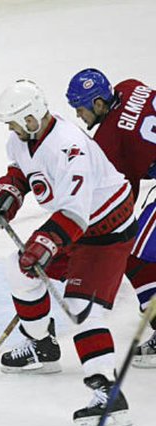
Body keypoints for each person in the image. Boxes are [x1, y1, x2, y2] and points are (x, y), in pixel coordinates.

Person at [0, 80, 136, 426]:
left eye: (16, 122)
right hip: (73, 226)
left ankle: (108, 394)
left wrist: (46, 243)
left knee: (83, 309)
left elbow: (76, 214)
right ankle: (41, 346)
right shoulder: (23, 139)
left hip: (106, 229)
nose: (12, 129)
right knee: (18, 271)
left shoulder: (70, 147)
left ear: (32, 118)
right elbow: (21, 170)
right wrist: (7, 193)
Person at [66, 69, 156, 368]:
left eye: (82, 109)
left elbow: (120, 203)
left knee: (131, 248)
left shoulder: (108, 140)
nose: (80, 116)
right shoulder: (130, 86)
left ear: (100, 104)